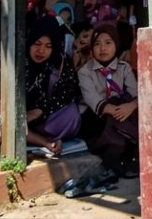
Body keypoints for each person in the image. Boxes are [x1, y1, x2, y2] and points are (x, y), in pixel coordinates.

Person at [78, 24, 140, 178]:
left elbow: (136, 94)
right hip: (97, 118)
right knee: (113, 106)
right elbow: (92, 100)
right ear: (92, 48)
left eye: (108, 43)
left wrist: (130, 107)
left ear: (116, 46)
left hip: (123, 115)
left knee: (128, 103)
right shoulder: (85, 72)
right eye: (97, 44)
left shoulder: (124, 68)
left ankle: (123, 157)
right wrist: (118, 110)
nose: (102, 48)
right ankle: (124, 155)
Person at [25, 17, 82, 155]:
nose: (41, 51)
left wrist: (40, 111)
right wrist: (23, 113)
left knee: (72, 115)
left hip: (45, 121)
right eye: (37, 44)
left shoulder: (61, 63)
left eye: (48, 46)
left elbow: (66, 96)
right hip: (20, 118)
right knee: (4, 124)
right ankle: (44, 141)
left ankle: (35, 137)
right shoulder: (19, 60)